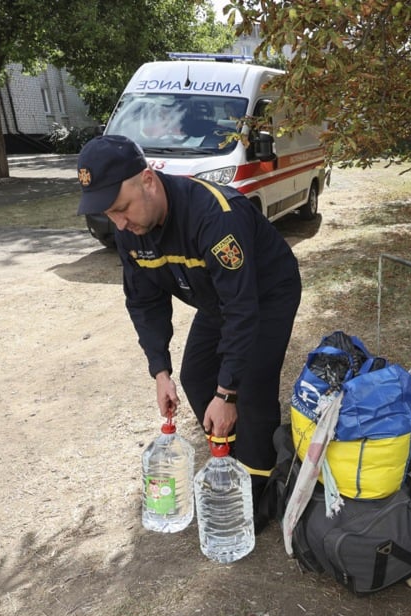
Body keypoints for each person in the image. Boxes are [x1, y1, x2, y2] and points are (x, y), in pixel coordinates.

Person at [76, 134, 302, 529]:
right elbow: (144, 302)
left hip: (265, 294)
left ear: (148, 180)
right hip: (218, 298)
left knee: (248, 386)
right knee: (197, 377)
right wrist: (160, 371)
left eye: (122, 208)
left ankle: (259, 488)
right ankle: (227, 459)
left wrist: (227, 393)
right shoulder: (130, 232)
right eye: (109, 214)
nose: (119, 223)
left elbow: (242, 309)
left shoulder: (216, 216)